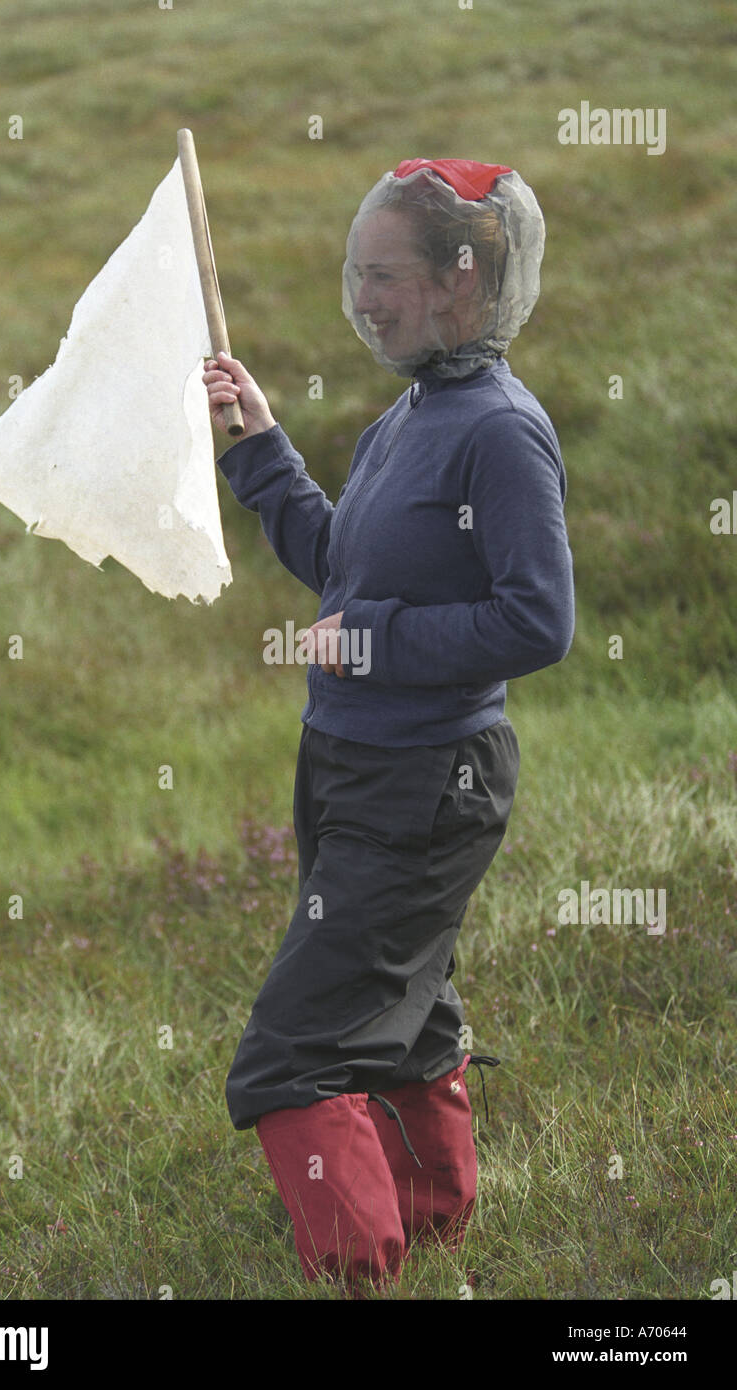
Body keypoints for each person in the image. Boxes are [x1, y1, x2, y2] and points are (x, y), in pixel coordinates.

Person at [202, 157, 575, 1292]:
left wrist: (379, 639)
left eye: (384, 276)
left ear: (464, 280)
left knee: (295, 1042)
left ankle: (358, 1270)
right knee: (400, 1009)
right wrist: (261, 448)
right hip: (355, 767)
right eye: (354, 275)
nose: (362, 299)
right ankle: (434, 1220)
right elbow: (340, 570)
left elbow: (539, 619)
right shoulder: (410, 413)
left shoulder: (501, 433)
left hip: (432, 776)